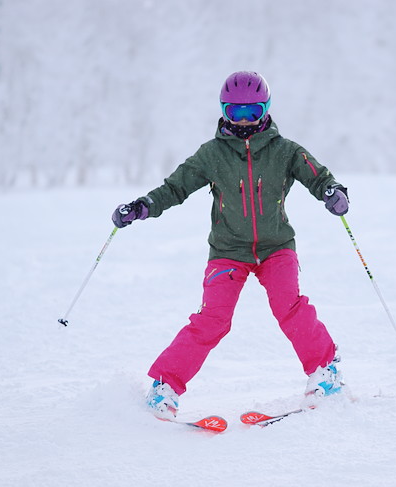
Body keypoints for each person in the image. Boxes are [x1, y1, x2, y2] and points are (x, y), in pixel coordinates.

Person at [112, 71, 350, 420]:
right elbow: (175, 187)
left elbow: (319, 176)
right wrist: (143, 206)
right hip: (228, 250)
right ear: (223, 111)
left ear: (265, 109)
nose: (243, 121)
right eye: (234, 112)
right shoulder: (212, 155)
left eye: (251, 113)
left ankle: (326, 373)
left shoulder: (285, 151)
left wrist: (333, 193)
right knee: (212, 320)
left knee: (290, 307)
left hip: (276, 247)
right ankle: (164, 388)